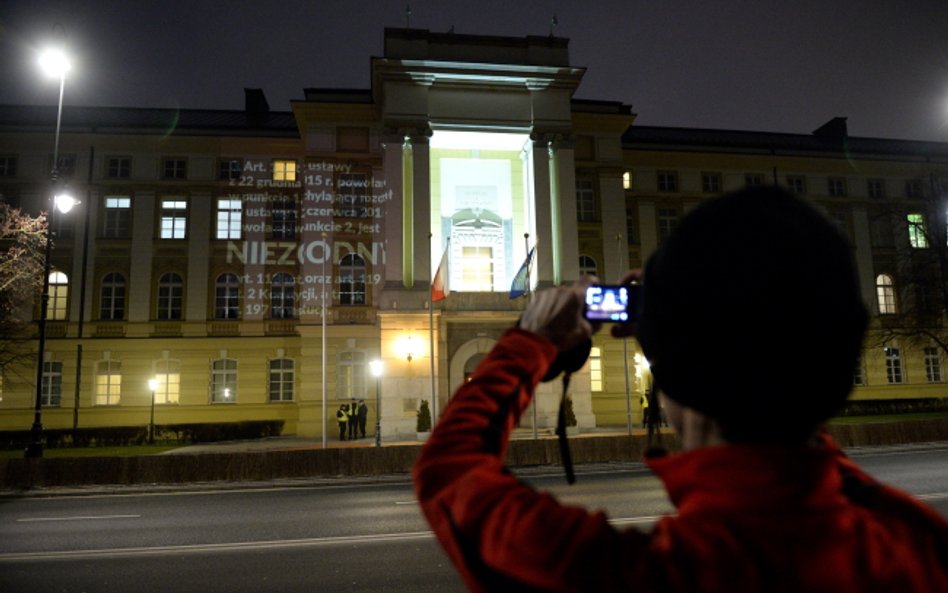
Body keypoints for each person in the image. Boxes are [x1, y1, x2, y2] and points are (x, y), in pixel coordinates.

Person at [413, 186, 948, 593]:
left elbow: (449, 470)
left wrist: (529, 344)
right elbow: (805, 457)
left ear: (673, 376)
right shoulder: (919, 550)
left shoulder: (631, 573)